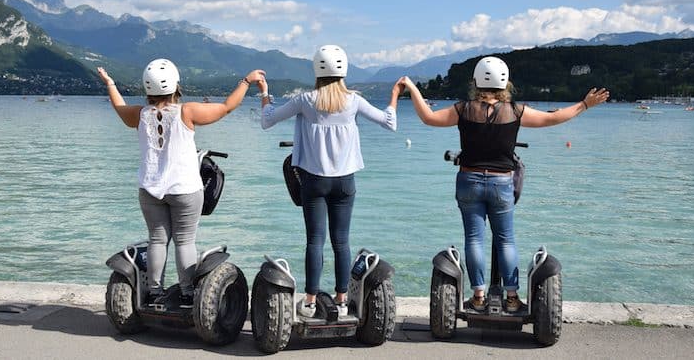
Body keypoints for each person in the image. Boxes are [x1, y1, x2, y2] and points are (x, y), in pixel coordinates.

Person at [399, 56, 609, 312]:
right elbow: (552, 119)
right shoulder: (516, 111)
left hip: (469, 180)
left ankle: (477, 297)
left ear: (476, 81)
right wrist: (585, 104)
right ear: (505, 83)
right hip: (501, 184)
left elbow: (429, 118)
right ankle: (511, 298)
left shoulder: (463, 109)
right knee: (506, 240)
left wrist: (412, 88)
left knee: (474, 239)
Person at [98, 59, 266, 308]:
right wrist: (247, 81)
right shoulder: (187, 111)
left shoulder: (139, 115)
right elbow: (228, 107)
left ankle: (154, 293)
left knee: (157, 240)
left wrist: (110, 83)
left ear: (147, 88)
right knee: (185, 241)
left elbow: (119, 106)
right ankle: (188, 293)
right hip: (185, 189)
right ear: (176, 85)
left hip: (150, 190)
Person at [259, 45, 403, 317]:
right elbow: (389, 122)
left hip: (314, 182)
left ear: (316, 70)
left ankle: (311, 302)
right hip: (345, 182)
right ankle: (341, 300)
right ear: (344, 71)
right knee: (342, 242)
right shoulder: (354, 101)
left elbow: (268, 120)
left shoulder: (305, 100)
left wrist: (265, 93)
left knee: (315, 241)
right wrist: (394, 95)